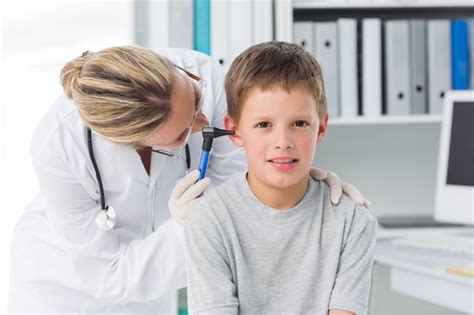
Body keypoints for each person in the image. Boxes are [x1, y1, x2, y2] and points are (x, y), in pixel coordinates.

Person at [8, 45, 369, 313]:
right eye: (182, 135)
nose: (203, 125)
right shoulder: (59, 148)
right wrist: (184, 227)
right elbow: (109, 276)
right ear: (132, 142)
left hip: (157, 284)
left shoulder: (204, 75)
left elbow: (245, 183)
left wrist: (303, 184)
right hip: (60, 284)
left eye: (195, 99)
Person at [184, 41, 378, 315]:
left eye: (299, 124)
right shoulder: (209, 220)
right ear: (235, 131)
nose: (283, 142)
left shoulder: (352, 221)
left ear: (321, 128)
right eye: (264, 125)